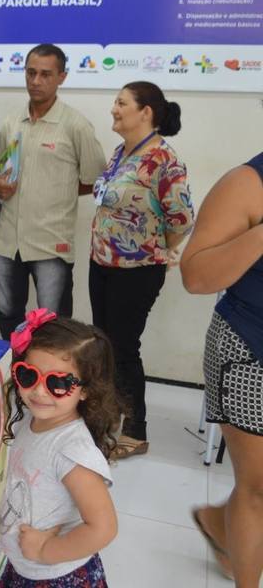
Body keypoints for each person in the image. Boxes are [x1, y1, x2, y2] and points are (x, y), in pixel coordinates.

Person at [89, 82, 194, 459]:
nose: (114, 109)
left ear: (145, 111)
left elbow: (181, 217)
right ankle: (108, 417)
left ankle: (135, 432)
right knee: (105, 344)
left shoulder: (164, 159)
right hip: (101, 263)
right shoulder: (121, 152)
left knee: (124, 348)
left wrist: (162, 247)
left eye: (121, 103)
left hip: (137, 269)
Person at [181, 149, 263, 586]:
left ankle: (218, 521)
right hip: (250, 348)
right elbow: (196, 276)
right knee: (259, 488)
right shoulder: (247, 183)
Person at [0, 43, 106, 338]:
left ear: (62, 77)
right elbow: (3, 173)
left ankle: (46, 381)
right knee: (5, 315)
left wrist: (60, 190)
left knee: (53, 325)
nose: (36, 81)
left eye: (45, 74)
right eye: (30, 73)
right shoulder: (10, 122)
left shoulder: (75, 125)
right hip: (8, 242)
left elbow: (96, 179)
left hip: (51, 242)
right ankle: (14, 374)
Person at [0, 309, 120, 587]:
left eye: (59, 383)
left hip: (57, 577)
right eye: (28, 375)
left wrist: (45, 550)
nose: (39, 392)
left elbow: (103, 528)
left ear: (87, 390)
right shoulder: (33, 419)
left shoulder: (71, 452)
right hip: (25, 568)